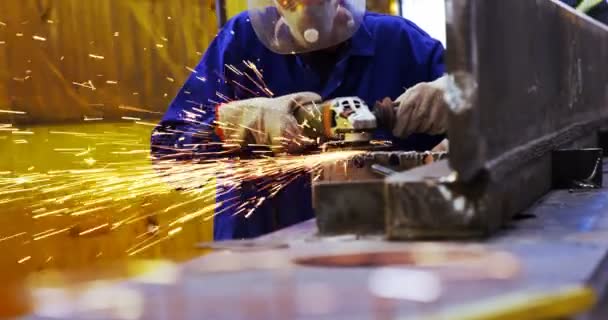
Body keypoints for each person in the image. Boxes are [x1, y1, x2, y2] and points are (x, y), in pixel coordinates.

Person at [152, 0, 449, 240]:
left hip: (379, 257)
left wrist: (459, 93)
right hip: (262, 269)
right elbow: (168, 159)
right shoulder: (240, 43)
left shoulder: (399, 43)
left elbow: (489, 132)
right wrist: (232, 124)